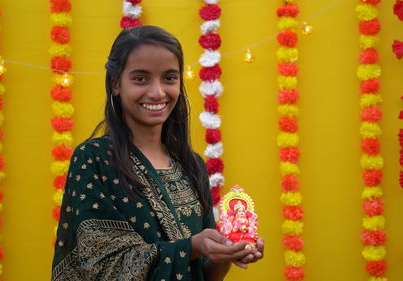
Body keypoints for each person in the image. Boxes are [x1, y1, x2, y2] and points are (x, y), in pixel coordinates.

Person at [51, 25, 264, 281]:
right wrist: (193, 247)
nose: (158, 92)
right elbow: (101, 266)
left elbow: (205, 274)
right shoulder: (94, 158)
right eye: (141, 78)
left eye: (169, 78)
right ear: (116, 84)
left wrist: (227, 253)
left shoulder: (191, 164)